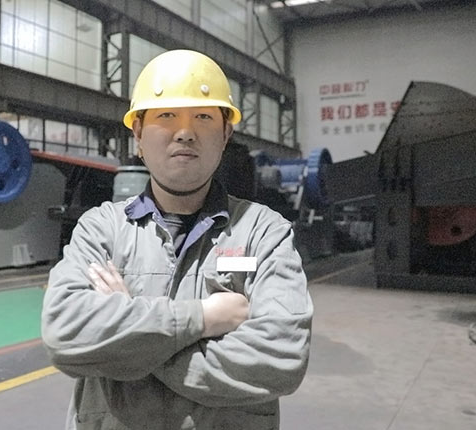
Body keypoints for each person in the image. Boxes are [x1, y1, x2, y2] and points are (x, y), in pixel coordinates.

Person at [41, 49, 312, 430]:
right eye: (166, 115)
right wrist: (203, 317)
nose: (185, 132)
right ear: (137, 134)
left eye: (203, 117)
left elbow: (281, 358)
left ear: (225, 134)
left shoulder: (263, 232)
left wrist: (129, 337)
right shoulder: (101, 229)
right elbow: (66, 333)